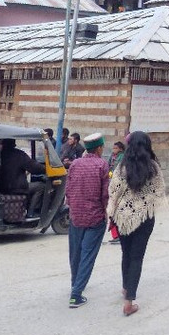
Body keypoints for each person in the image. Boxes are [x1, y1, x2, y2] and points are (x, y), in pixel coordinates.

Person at [106, 131, 166, 317]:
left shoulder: (122, 166)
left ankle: (126, 288)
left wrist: (111, 212)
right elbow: (159, 191)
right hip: (145, 218)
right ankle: (129, 301)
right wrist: (144, 203)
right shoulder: (153, 167)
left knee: (126, 253)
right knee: (137, 257)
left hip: (122, 216)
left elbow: (113, 191)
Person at [64, 132, 109, 308]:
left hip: (76, 215)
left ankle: (75, 284)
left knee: (75, 252)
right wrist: (106, 212)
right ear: (99, 148)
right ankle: (76, 295)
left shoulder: (75, 164)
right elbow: (105, 194)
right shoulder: (102, 165)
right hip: (95, 217)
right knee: (87, 255)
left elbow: (68, 189)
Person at [0, 138, 45, 217]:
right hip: (17, 188)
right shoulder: (19, 155)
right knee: (41, 186)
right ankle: (31, 212)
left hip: (2, 187)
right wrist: (45, 168)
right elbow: (33, 167)